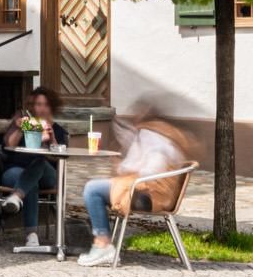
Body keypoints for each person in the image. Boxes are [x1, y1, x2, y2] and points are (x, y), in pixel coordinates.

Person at [77, 110, 197, 267]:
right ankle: (103, 243)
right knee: (97, 188)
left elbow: (149, 171)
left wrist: (126, 166)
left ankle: (103, 244)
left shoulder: (154, 140)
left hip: (148, 195)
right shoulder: (162, 140)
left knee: (92, 190)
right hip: (149, 192)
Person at [0, 88, 68, 253]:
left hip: (47, 174)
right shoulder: (26, 122)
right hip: (16, 171)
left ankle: (16, 197)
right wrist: (20, 127)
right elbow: (8, 145)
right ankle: (31, 235)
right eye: (38, 104)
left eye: (46, 105)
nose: (41, 108)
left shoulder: (58, 129)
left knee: (39, 161)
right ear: (32, 106)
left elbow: (59, 158)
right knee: (30, 183)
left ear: (52, 107)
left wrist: (52, 138)